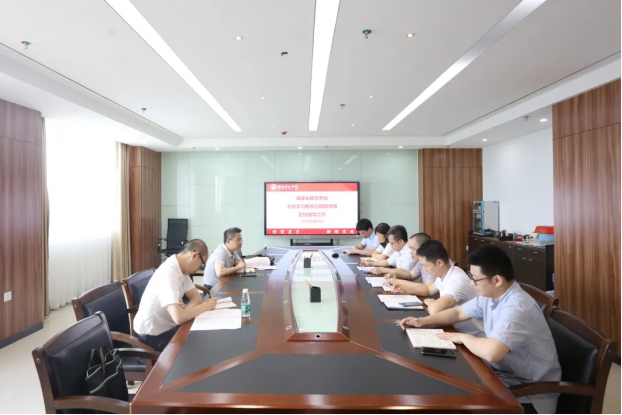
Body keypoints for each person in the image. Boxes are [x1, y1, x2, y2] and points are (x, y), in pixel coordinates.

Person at [400, 246, 561, 415]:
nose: (472, 283)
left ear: (496, 280)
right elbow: (458, 312)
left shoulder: (517, 307)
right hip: (499, 374)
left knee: (451, 400)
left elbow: (492, 353)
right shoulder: (492, 296)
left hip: (528, 393)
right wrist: (422, 321)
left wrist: (462, 337)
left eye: (476, 280)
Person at [133, 239, 218, 352]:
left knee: (203, 340)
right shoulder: (168, 272)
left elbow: (196, 298)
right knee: (198, 349)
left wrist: (184, 312)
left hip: (169, 326)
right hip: (153, 334)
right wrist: (205, 306)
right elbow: (179, 318)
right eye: (201, 264)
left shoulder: (182, 270)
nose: (199, 269)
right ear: (194, 255)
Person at [389, 240, 483, 336]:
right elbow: (428, 290)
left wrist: (432, 303)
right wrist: (402, 287)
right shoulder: (445, 274)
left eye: (426, 265)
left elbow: (435, 310)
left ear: (439, 263)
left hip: (473, 336)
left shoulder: (457, 280)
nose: (425, 270)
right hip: (455, 330)